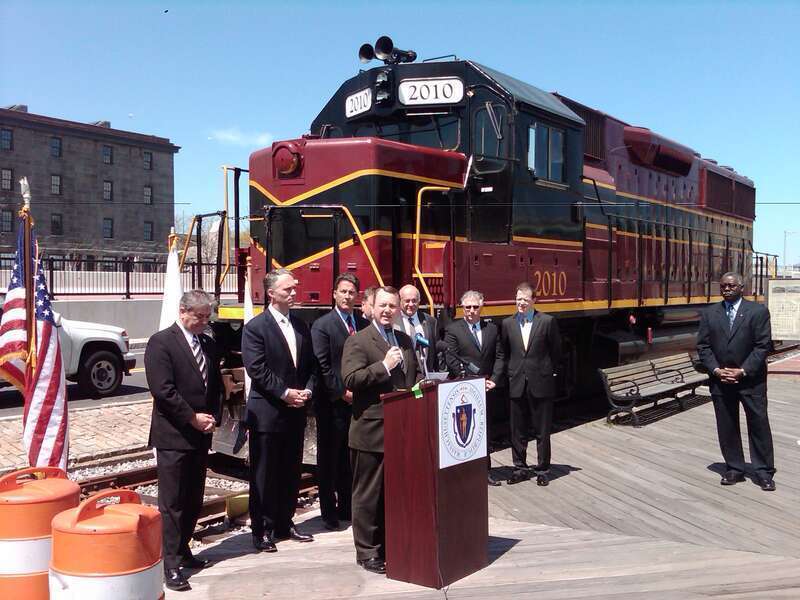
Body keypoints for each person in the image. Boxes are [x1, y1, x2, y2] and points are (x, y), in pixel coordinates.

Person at [341, 286, 421, 574]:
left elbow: (413, 376)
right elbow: (351, 378)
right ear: (371, 308)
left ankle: (390, 544)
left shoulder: (404, 340)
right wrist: (384, 367)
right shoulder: (358, 340)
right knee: (368, 495)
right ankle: (367, 552)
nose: (388, 311)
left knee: (393, 493)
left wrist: (422, 388)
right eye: (383, 305)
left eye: (392, 306)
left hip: (402, 430)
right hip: (371, 432)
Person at [145, 290, 221, 592]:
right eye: (199, 317)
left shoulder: (207, 343)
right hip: (174, 434)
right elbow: (163, 390)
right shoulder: (161, 342)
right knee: (173, 502)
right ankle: (170, 563)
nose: (203, 322)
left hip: (200, 434)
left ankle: (184, 548)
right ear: (183, 311)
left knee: (193, 498)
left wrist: (213, 417)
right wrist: (192, 418)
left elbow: (214, 385)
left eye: (207, 317)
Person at [242, 268, 317, 552]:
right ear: (272, 293)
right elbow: (257, 368)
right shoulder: (256, 328)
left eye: (294, 288)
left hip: (295, 411)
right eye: (288, 289)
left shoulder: (300, 325)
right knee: (264, 473)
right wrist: (285, 393)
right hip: (268, 412)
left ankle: (285, 522)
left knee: (290, 470)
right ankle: (262, 529)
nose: (294, 293)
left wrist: (307, 390)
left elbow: (310, 365)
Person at [697, 272, 776, 491]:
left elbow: (763, 346)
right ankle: (734, 468)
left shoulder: (758, 312)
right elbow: (703, 346)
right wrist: (716, 370)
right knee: (727, 425)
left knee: (759, 425)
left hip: (751, 380)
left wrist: (743, 371)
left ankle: (764, 472)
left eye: (731, 286)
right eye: (723, 286)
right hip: (721, 380)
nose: (727, 289)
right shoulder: (710, 313)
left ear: (742, 287)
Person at [311, 273, 369, 530]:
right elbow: (323, 365)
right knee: (329, 458)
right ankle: (328, 512)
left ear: (357, 296)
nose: (347, 296)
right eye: (343, 291)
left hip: (358, 402)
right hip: (332, 403)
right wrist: (342, 392)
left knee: (350, 457)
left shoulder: (362, 323)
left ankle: (347, 507)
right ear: (334, 294)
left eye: (351, 292)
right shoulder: (322, 325)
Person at [496, 282, 562, 486]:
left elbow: (556, 352)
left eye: (525, 299)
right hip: (516, 382)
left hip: (540, 382)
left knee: (542, 430)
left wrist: (548, 373)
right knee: (517, 430)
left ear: (534, 300)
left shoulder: (548, 322)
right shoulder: (507, 324)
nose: (521, 303)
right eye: (518, 299)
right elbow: (504, 352)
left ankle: (543, 469)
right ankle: (520, 468)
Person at [443, 290, 503, 486]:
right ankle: (464, 475)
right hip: (464, 389)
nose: (471, 310)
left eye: (475, 307)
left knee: (484, 430)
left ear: (481, 306)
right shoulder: (453, 329)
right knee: (465, 433)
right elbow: (451, 358)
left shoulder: (492, 329)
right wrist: (473, 382)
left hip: (487, 388)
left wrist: (494, 379)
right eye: (467, 307)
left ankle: (485, 471)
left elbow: (499, 356)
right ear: (462, 308)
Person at [397, 284, 440, 374]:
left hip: (427, 375)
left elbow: (437, 350)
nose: (411, 304)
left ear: (419, 301)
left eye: (414, 301)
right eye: (407, 301)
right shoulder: (394, 322)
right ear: (400, 301)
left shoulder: (430, 321)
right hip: (404, 377)